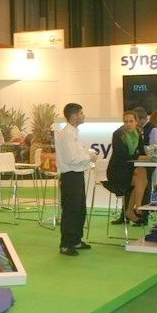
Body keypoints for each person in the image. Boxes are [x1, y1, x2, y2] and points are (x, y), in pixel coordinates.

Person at [54, 103, 96, 256]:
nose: (84, 115)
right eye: (81, 113)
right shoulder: (66, 134)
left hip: (77, 175)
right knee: (71, 210)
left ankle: (76, 240)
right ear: (74, 116)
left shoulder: (73, 133)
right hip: (70, 176)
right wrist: (89, 157)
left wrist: (87, 158)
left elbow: (76, 156)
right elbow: (71, 158)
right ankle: (66, 244)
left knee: (79, 209)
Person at [105, 111, 148, 224]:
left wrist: (146, 156)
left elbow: (141, 151)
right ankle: (135, 208)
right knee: (142, 178)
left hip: (130, 170)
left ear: (136, 122)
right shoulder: (118, 134)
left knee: (142, 174)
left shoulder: (138, 133)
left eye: (131, 121)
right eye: (126, 122)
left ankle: (133, 208)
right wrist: (141, 157)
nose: (128, 124)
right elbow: (124, 155)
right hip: (117, 172)